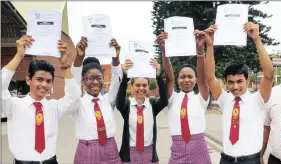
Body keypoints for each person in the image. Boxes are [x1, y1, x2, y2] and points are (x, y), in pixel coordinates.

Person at [1, 35, 81, 163]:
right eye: (39, 79)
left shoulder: (54, 107)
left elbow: (75, 98)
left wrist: (65, 65)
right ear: (28, 79)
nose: (44, 85)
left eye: (49, 81)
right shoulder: (13, 106)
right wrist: (19, 56)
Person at [204, 22, 274, 164]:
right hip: (226, 159)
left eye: (239, 81)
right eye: (231, 82)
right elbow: (210, 77)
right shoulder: (225, 99)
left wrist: (257, 39)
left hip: (250, 160)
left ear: (247, 80)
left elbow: (268, 75)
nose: (235, 87)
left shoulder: (258, 100)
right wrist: (210, 45)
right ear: (226, 82)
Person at [156, 30, 211, 163]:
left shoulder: (201, 98)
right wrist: (164, 51)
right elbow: (169, 79)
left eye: (190, 76)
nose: (186, 80)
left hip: (200, 149)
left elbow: (203, 79)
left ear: (195, 79)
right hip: (178, 150)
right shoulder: (172, 98)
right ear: (178, 79)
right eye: (182, 77)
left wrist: (199, 50)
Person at [68, 36, 123, 164]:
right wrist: (79, 58)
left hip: (111, 150)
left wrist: (115, 58)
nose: (96, 82)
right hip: (87, 152)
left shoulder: (108, 100)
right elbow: (72, 85)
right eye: (90, 78)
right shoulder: (77, 103)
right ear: (83, 80)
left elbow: (116, 80)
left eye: (99, 78)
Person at [116, 58, 168, 164]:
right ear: (131, 87)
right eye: (137, 85)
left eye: (144, 85)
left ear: (148, 87)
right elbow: (119, 102)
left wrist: (158, 76)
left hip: (149, 153)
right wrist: (125, 77)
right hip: (130, 153)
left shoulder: (152, 105)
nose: (141, 88)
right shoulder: (127, 105)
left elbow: (164, 101)